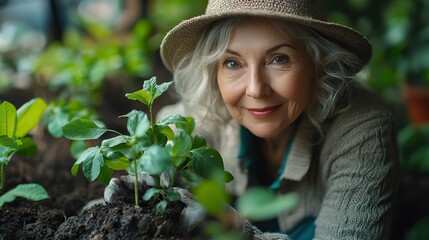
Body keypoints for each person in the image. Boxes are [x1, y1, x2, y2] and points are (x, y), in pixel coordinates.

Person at [105, 0, 399, 239]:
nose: (256, 89)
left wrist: (239, 232)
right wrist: (146, 176)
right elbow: (170, 125)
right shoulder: (209, 109)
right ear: (214, 73)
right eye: (233, 63)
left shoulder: (363, 129)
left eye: (279, 59)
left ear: (319, 62)